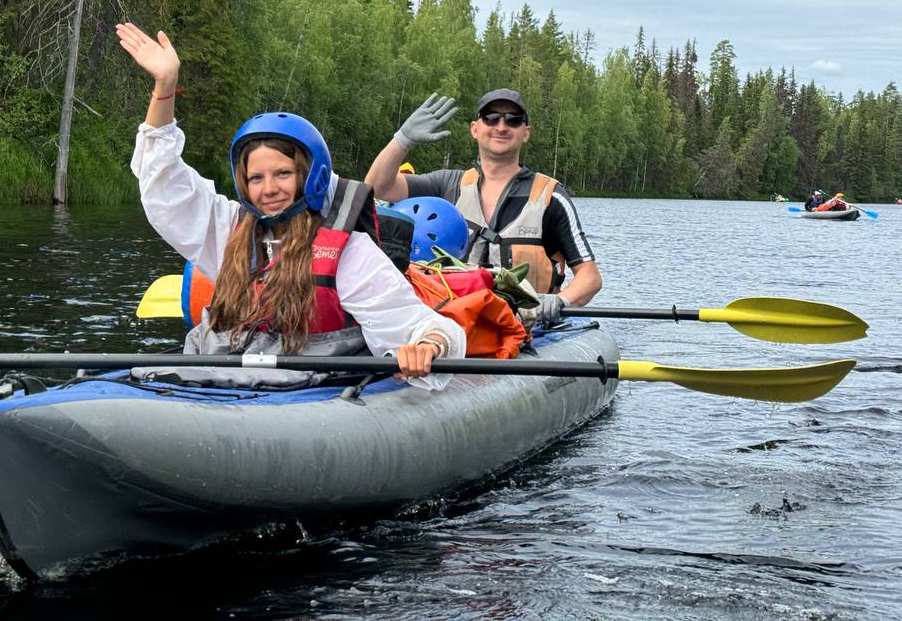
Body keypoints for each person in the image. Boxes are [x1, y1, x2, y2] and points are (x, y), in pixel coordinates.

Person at [116, 22, 465, 389]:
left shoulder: (348, 251)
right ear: (243, 182)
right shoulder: (228, 229)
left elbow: (419, 324)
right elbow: (163, 184)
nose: (268, 189)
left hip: (309, 392)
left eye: (282, 174)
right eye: (256, 178)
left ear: (309, 176)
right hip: (222, 381)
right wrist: (165, 88)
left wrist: (429, 344)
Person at [365, 89, 602, 324]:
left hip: (527, 330)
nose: (501, 126)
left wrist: (561, 301)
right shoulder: (447, 185)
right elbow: (376, 188)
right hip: (454, 324)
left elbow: (589, 277)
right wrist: (402, 140)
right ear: (474, 129)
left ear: (526, 133)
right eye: (491, 117)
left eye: (513, 120)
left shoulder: (552, 197)